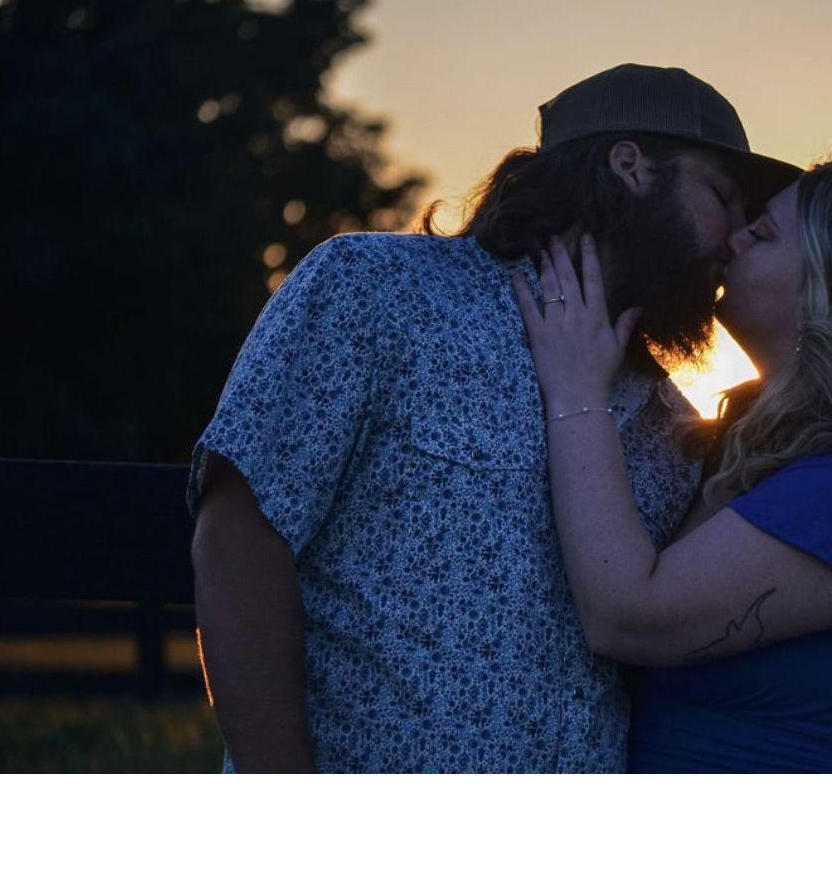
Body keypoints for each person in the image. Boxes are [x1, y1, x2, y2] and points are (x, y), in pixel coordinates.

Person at [187, 63, 800, 772]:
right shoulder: (374, 290)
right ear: (630, 166)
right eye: (721, 195)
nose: (736, 235)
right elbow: (239, 534)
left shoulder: (678, 427)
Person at [513, 160, 832, 773]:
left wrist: (576, 390)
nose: (733, 238)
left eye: (762, 234)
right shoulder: (766, 449)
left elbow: (627, 618)